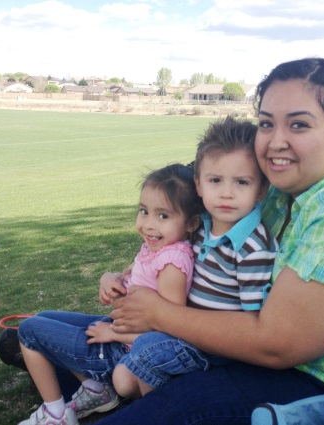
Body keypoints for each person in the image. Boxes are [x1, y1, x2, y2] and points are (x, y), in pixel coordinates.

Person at [87, 57, 324, 425]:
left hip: (321, 384)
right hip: (250, 351)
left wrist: (160, 313)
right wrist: (126, 273)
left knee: (181, 401)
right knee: (67, 330)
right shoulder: (279, 186)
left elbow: (276, 344)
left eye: (299, 125)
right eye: (266, 123)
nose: (275, 142)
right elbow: (189, 219)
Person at [16, 163, 203, 425]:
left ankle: (56, 415)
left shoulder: (172, 262)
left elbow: (169, 332)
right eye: (144, 211)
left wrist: (113, 333)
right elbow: (131, 277)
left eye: (163, 216)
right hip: (120, 333)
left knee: (29, 330)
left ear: (192, 223)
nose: (148, 224)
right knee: (45, 316)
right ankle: (96, 390)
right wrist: (110, 279)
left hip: (124, 349)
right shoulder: (157, 248)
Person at [111, 117, 278, 399]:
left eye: (242, 182)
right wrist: (121, 274)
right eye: (215, 180)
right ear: (199, 185)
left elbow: (252, 323)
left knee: (146, 350)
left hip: (216, 350)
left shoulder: (253, 248)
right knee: (123, 379)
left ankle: (161, 408)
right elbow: (161, 253)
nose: (226, 193)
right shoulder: (201, 225)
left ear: (261, 189)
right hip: (184, 333)